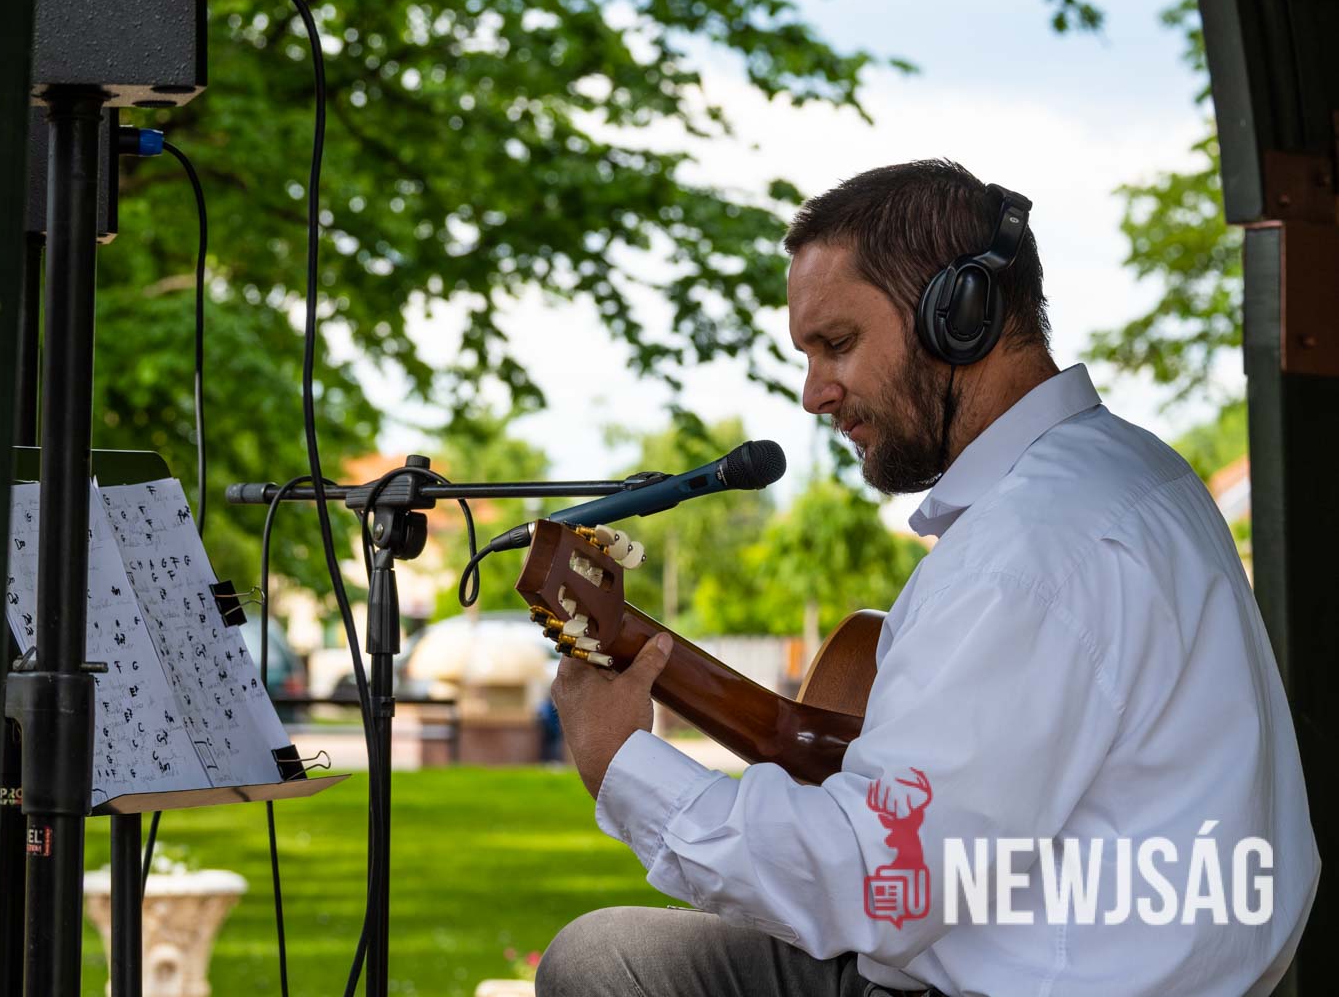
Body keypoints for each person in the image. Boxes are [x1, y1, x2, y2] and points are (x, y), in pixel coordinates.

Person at [535, 160, 1318, 997]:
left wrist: (622, 763)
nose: (813, 393)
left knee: (602, 965)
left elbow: (878, 880)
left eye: (837, 344)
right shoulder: (1134, 471)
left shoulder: (1027, 549)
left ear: (961, 318)